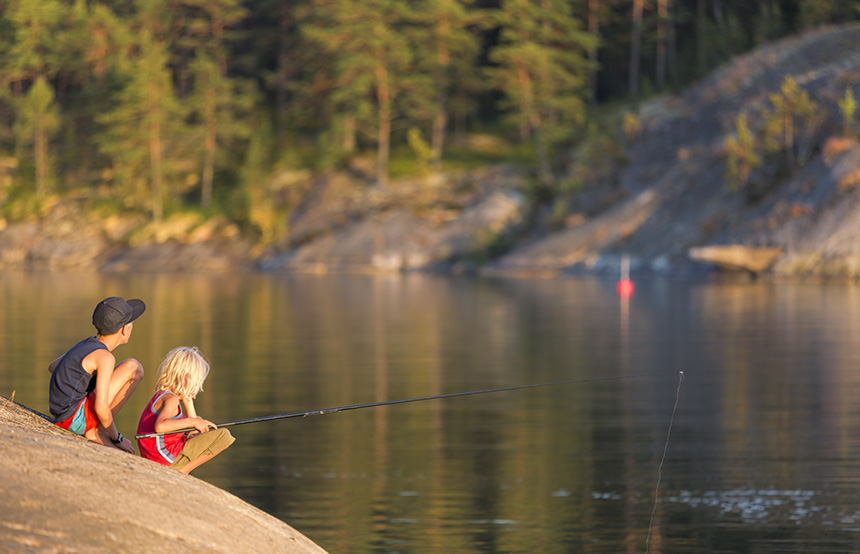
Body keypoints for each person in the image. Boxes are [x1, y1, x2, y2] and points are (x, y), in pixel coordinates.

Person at [48, 296, 146, 454]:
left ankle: (98, 430)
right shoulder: (105, 358)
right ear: (124, 329)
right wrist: (117, 438)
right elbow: (101, 409)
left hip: (62, 414)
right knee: (134, 368)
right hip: (74, 420)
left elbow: (53, 366)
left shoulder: (88, 343)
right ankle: (98, 431)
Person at [136, 346, 234, 474]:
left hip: (155, 456)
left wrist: (188, 401)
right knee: (224, 436)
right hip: (162, 459)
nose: (198, 386)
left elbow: (193, 432)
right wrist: (193, 423)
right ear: (186, 378)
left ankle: (180, 468)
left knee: (197, 421)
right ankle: (183, 471)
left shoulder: (164, 395)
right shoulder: (171, 399)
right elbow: (160, 426)